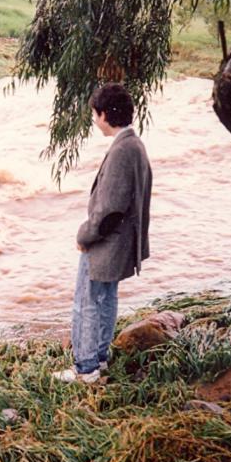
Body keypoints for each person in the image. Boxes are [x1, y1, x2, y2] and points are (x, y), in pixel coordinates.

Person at [52, 82, 152, 383]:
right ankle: (100, 359)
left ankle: (86, 368)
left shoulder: (123, 150)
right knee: (106, 299)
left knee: (86, 301)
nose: (94, 121)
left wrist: (85, 236)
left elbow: (110, 208)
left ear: (106, 114)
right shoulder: (134, 144)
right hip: (121, 243)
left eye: (95, 115)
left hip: (107, 244)